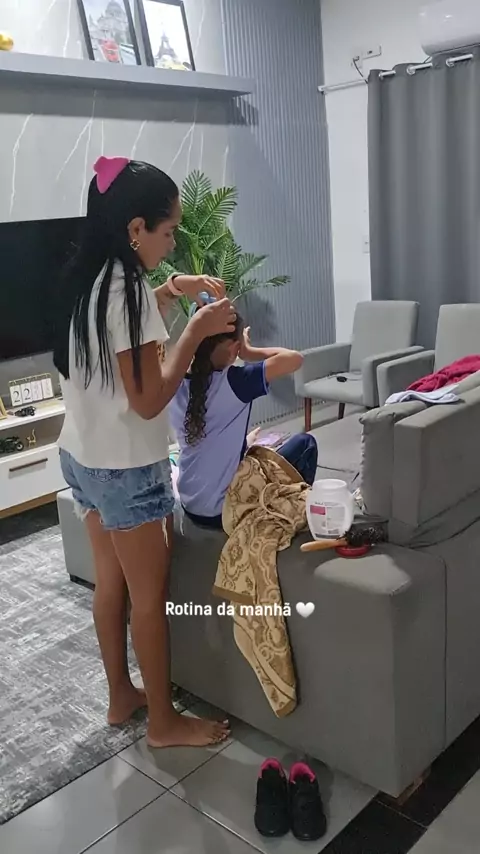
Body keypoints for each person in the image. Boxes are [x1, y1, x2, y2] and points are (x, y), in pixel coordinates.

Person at [53, 155, 235, 748]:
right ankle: (163, 722)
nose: (174, 241)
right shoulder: (127, 291)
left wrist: (173, 289)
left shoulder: (89, 274)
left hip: (81, 456)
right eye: (169, 231)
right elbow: (151, 400)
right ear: (136, 229)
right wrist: (196, 329)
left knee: (111, 583)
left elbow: (117, 330)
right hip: (126, 469)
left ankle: (120, 696)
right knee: (149, 598)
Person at [169, 307, 318, 529]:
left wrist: (245, 442)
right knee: (306, 444)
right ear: (234, 349)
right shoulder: (236, 381)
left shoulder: (174, 382)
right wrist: (249, 352)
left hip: (191, 505)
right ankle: (292, 515)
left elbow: (208, 439)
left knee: (257, 452)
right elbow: (295, 359)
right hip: (223, 511)